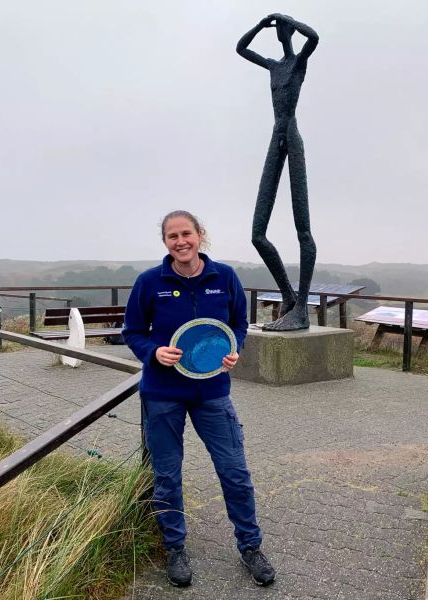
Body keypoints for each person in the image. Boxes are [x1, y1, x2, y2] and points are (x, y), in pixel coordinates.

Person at [122, 210, 276, 588]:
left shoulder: (224, 278)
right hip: (162, 393)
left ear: (199, 235)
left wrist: (233, 349)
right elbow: (133, 331)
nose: (180, 242)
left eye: (186, 234)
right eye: (172, 236)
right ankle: (175, 547)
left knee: (234, 472)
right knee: (167, 476)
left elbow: (238, 324)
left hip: (212, 393)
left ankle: (250, 546)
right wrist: (154, 352)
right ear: (165, 242)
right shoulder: (149, 282)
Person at [237, 13, 319, 331]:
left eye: (285, 30)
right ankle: (288, 296)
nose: (282, 33)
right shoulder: (273, 65)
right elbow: (241, 48)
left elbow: (314, 37)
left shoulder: (299, 62)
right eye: (280, 30)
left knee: (303, 229)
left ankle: (301, 310)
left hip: (292, 137)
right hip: (275, 138)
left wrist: (288, 19)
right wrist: (261, 24)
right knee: (258, 233)